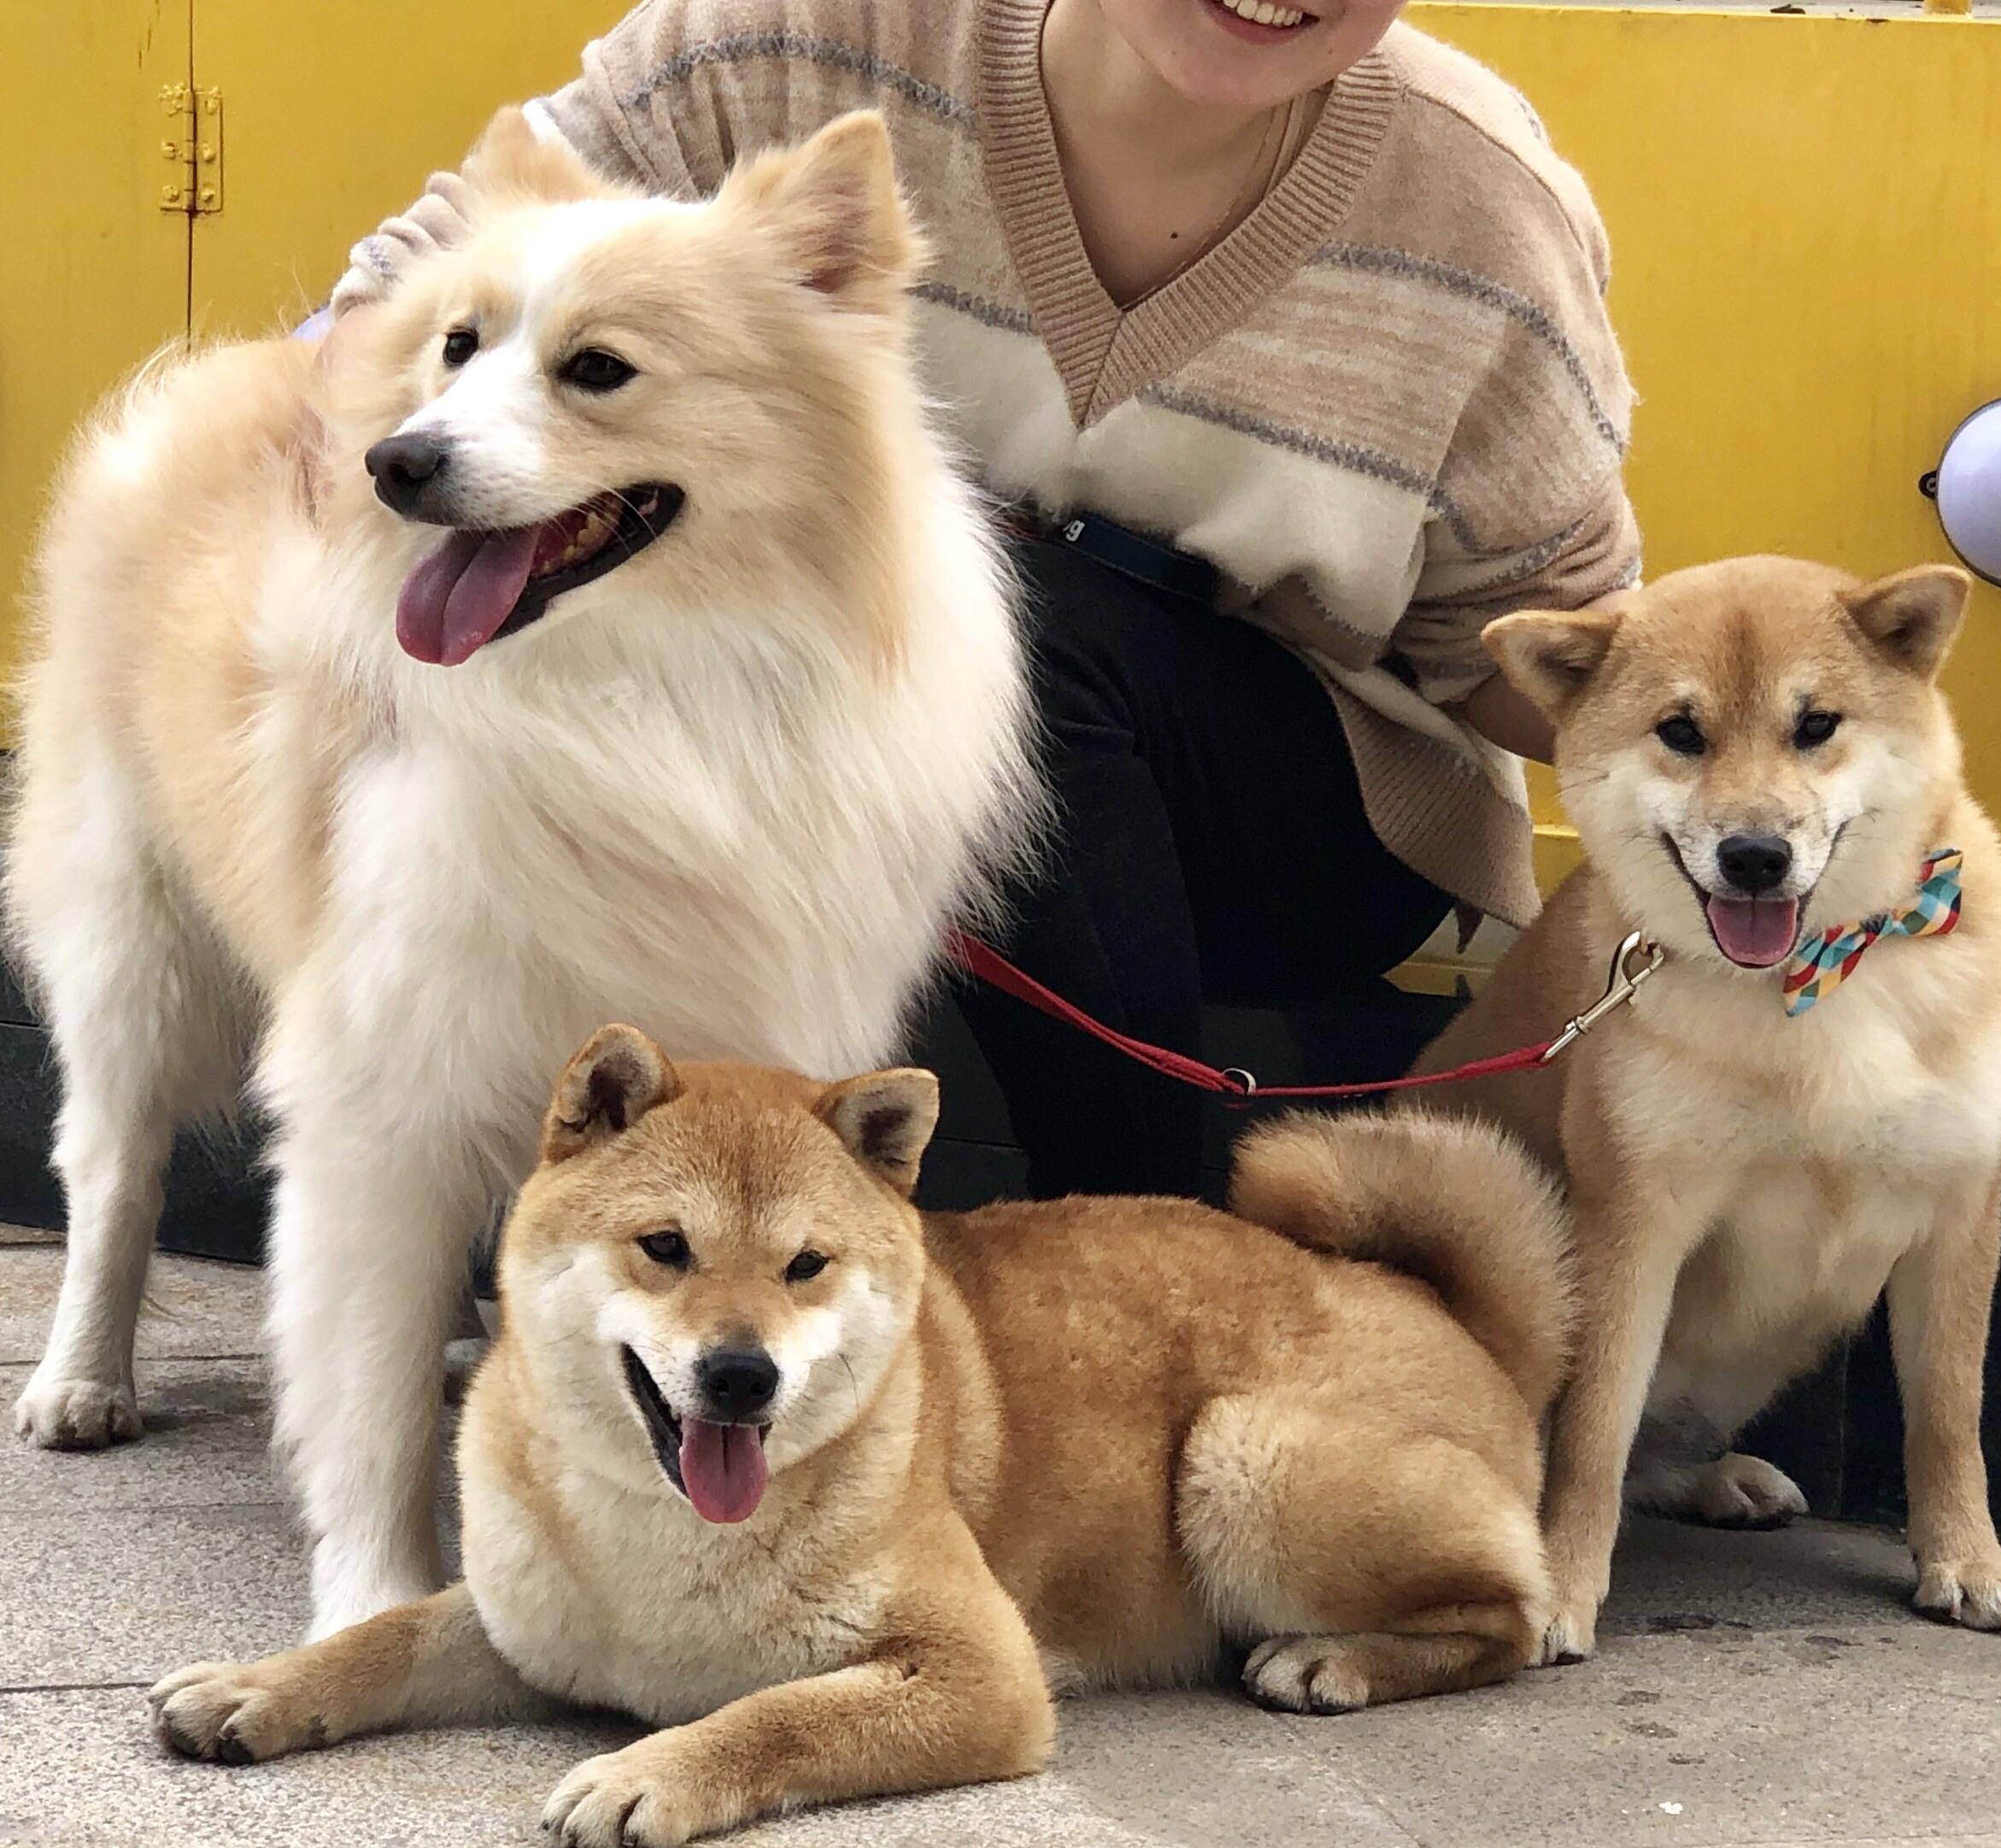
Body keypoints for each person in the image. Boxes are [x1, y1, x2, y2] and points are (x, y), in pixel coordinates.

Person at [336, 0, 1637, 1200]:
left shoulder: (1480, 202)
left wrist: (1757, 794)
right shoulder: (787, 40)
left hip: (1296, 818)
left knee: (1005, 614)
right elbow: (417, 288)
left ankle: (1129, 1258)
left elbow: (1539, 629)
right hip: (824, 753)